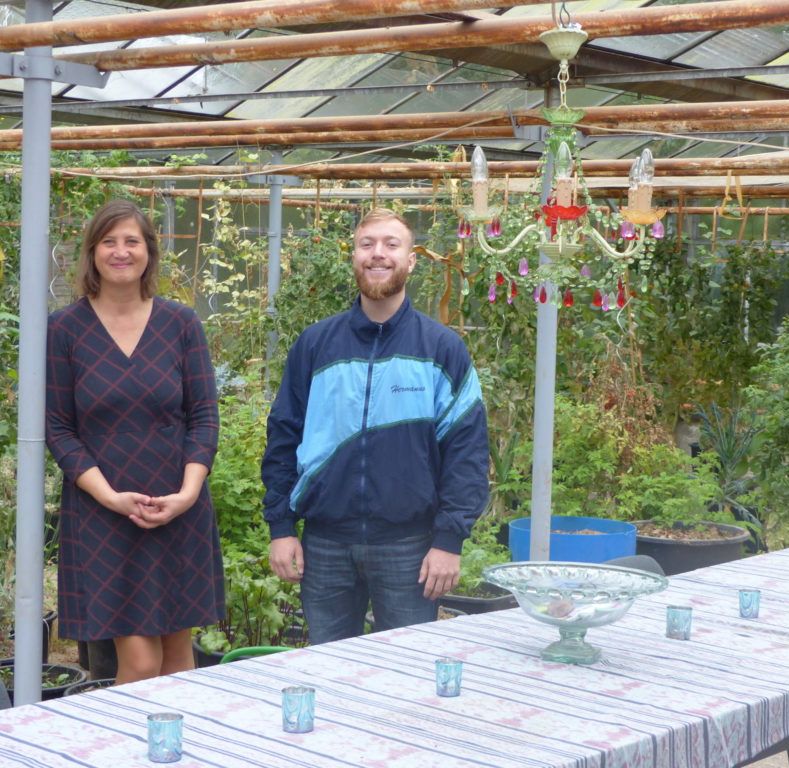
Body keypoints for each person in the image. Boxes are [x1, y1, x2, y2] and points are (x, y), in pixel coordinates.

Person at [262, 208, 489, 644]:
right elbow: (284, 437)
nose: (377, 254)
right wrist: (282, 528)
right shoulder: (316, 344)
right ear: (354, 256)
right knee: (328, 671)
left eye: (391, 244)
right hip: (325, 545)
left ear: (411, 260)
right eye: (367, 245)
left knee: (404, 677)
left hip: (410, 547)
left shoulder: (441, 348)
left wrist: (449, 540)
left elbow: (467, 451)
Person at [46, 199, 225, 683]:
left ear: (148, 251)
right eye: (109, 241)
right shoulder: (64, 330)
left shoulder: (180, 323)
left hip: (176, 506)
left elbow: (204, 416)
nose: (121, 252)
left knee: (178, 659)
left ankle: (175, 756)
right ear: (91, 252)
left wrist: (187, 495)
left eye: (132, 241)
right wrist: (109, 497)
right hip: (104, 512)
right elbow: (58, 428)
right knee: (142, 663)